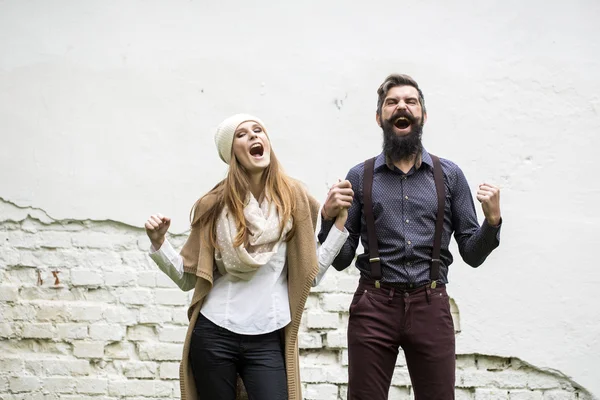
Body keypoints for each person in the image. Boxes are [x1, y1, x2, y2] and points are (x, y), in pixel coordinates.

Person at [318, 74, 502, 400]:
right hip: (374, 305)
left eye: (410, 101)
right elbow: (343, 257)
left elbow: (472, 254)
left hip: (431, 305)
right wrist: (329, 218)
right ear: (380, 118)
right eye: (392, 102)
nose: (401, 106)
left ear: (422, 116)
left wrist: (492, 221)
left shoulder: (450, 176)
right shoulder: (359, 177)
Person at [144, 114, 350, 400]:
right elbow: (187, 278)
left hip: (267, 337)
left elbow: (310, 275)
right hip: (214, 333)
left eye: (258, 130)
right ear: (232, 153)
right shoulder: (214, 205)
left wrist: (339, 227)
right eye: (241, 134)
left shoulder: (294, 200)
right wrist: (159, 243)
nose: (254, 136)